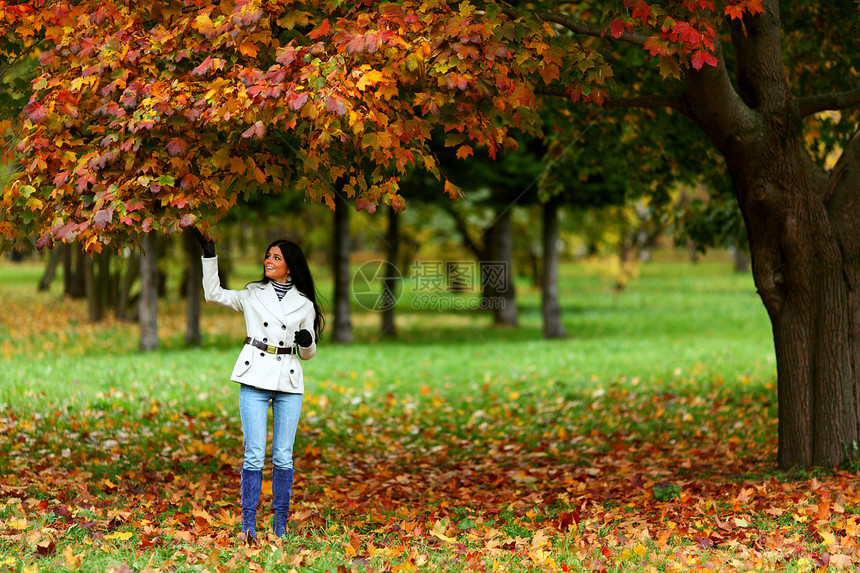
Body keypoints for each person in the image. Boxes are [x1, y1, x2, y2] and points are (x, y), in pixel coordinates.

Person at [193, 228, 324, 543]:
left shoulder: (304, 304)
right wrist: (210, 255)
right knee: (253, 454)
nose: (269, 260)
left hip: (288, 380)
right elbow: (214, 294)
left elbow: (307, 353)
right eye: (268, 255)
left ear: (289, 266)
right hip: (254, 376)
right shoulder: (252, 293)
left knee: (283, 455)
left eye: (276, 257)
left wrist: (307, 342)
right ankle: (248, 525)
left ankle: (280, 524)